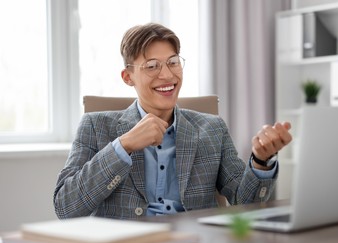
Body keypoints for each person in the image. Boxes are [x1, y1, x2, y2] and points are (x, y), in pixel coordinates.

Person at [54, 23, 292, 219]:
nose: (167, 75)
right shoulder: (96, 126)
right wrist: (123, 146)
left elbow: (246, 203)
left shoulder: (212, 128)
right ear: (128, 77)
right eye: (152, 66)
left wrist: (261, 161)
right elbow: (66, 207)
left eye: (173, 62)